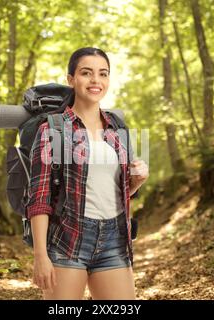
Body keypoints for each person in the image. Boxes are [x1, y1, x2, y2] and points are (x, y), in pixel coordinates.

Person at [27, 47, 149, 300]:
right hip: (67, 239)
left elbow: (111, 191)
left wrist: (135, 184)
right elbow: (40, 198)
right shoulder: (54, 129)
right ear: (71, 79)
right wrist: (40, 255)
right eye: (86, 73)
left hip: (114, 239)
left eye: (103, 74)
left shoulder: (117, 129)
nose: (96, 81)